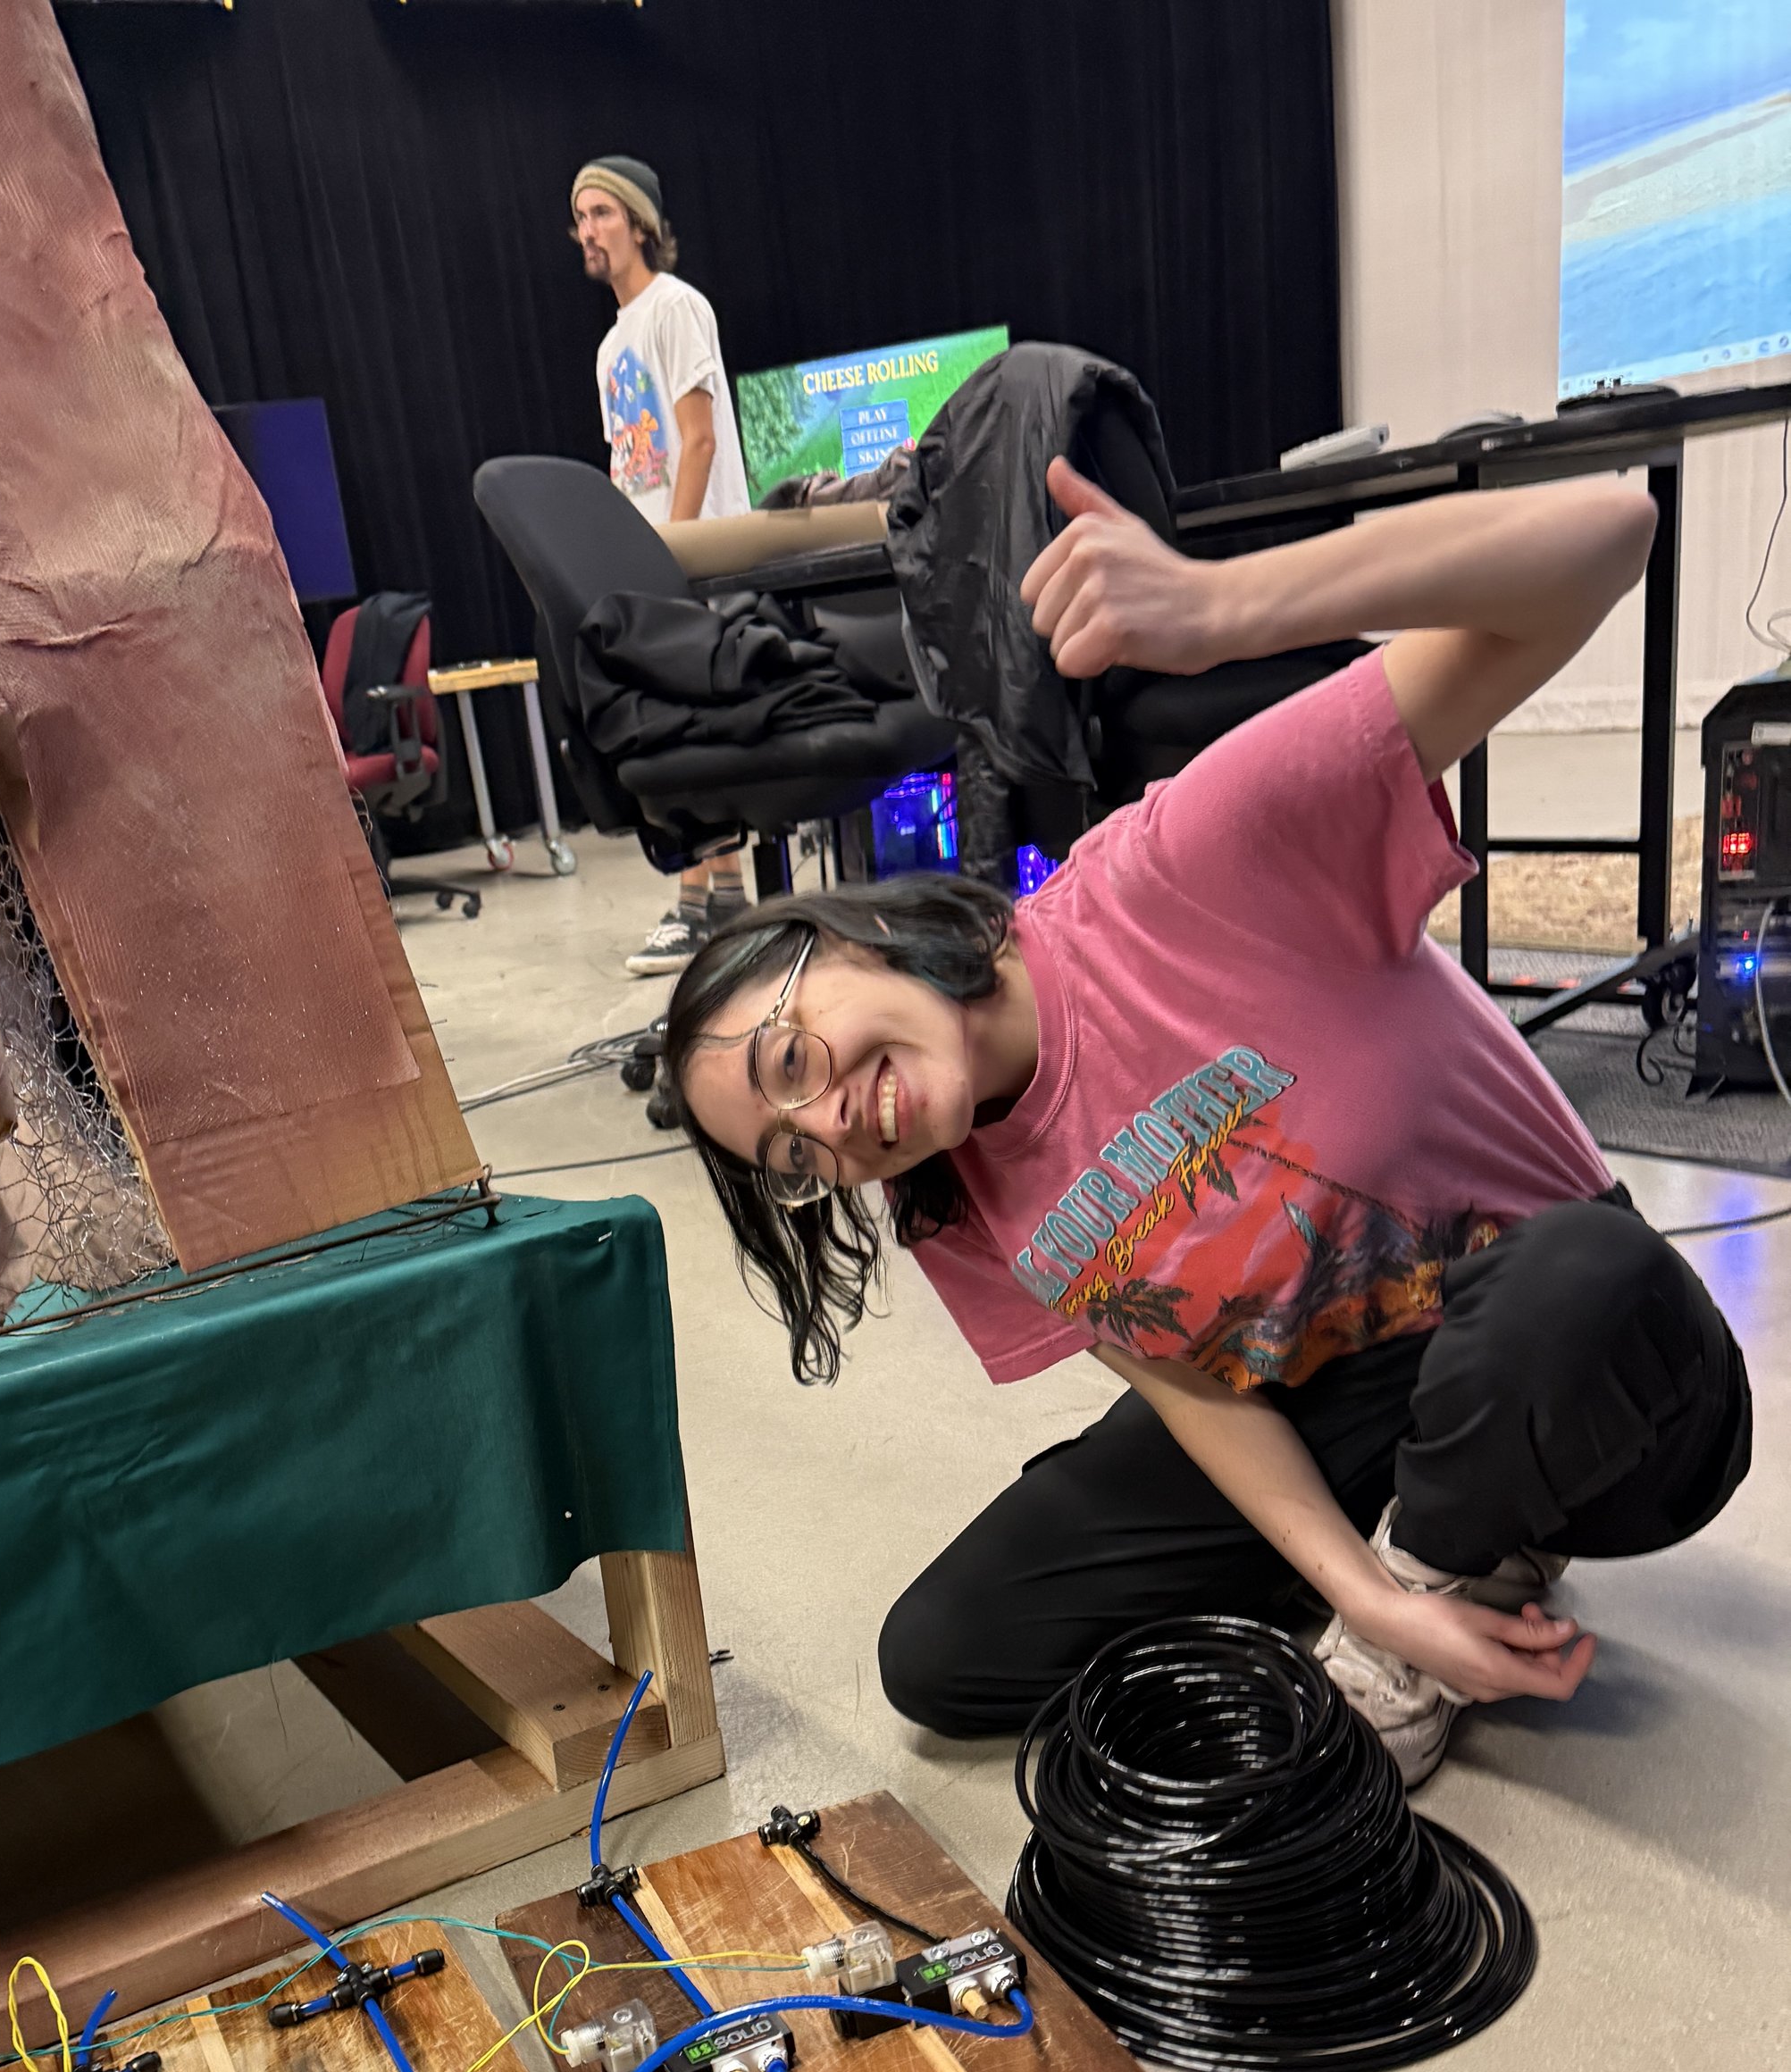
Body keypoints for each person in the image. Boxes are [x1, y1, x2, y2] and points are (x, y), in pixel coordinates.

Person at [666, 463, 1753, 1783]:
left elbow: (1608, 530)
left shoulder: (1185, 864)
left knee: (1587, 1274)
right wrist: (1349, 1584)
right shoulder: (944, 1188)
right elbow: (1182, 1377)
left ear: (847, 936)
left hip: (1580, 1355)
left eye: (791, 1057)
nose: (830, 1124)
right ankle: (1428, 1555)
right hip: (1328, 1392)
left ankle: (1436, 1579)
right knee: (945, 1652)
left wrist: (1230, 606)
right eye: (794, 1156)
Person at [568, 154, 751, 976]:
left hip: (692, 553)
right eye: (580, 218)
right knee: (676, 727)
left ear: (640, 223)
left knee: (698, 725)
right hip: (648, 558)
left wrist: (673, 551)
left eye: (602, 213)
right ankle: (717, 900)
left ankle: (706, 903)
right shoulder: (612, 346)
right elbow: (627, 465)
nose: (588, 231)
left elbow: (698, 439)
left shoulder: (677, 308)